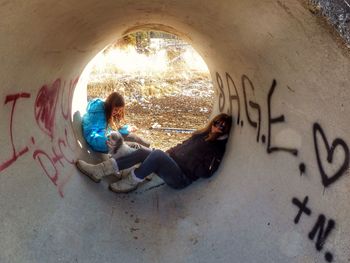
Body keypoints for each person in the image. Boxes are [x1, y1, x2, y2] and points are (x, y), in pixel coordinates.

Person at [76, 113, 232, 193]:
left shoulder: (217, 148)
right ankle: (100, 170)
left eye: (222, 127)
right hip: (173, 165)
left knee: (157, 155)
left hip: (181, 178)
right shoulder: (201, 135)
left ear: (225, 131)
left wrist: (189, 164)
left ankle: (131, 182)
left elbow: (207, 172)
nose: (217, 127)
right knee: (145, 151)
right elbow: (181, 146)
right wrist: (169, 154)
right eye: (217, 123)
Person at [82, 92, 150, 153]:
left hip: (109, 139)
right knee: (135, 146)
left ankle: (151, 150)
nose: (117, 112)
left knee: (133, 137)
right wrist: (107, 141)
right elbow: (91, 135)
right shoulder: (97, 113)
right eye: (116, 109)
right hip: (103, 143)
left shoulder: (106, 111)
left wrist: (126, 129)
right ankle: (151, 156)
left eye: (119, 110)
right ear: (110, 105)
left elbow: (111, 131)